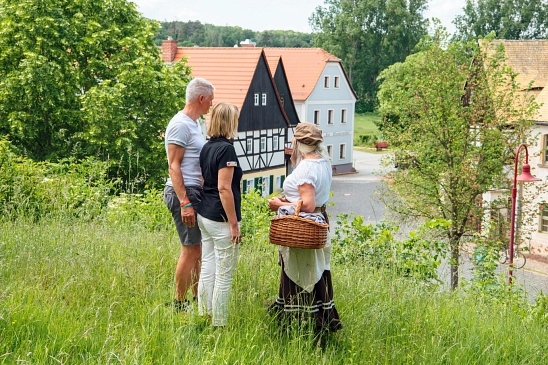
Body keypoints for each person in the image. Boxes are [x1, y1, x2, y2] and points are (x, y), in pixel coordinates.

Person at [268, 122, 342, 333]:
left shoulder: (307, 168)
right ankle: (319, 317)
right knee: (317, 270)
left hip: (303, 226)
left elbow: (307, 205)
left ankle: (302, 324)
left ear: (298, 143)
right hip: (318, 221)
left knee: (301, 273)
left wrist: (278, 204)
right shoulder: (322, 162)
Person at [163, 77, 215, 312]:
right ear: (201, 98)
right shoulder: (180, 124)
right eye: (210, 100)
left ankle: (196, 300)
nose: (211, 106)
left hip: (196, 192)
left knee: (198, 249)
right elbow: (173, 166)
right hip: (185, 193)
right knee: (190, 249)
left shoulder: (195, 124)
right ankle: (179, 303)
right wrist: (184, 202)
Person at [196, 103, 243, 327]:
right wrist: (233, 224)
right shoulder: (227, 149)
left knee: (207, 267)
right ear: (229, 122)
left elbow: (206, 181)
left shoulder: (207, 147)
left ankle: (204, 315)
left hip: (204, 214)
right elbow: (224, 189)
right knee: (224, 275)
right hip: (220, 218)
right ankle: (219, 324)